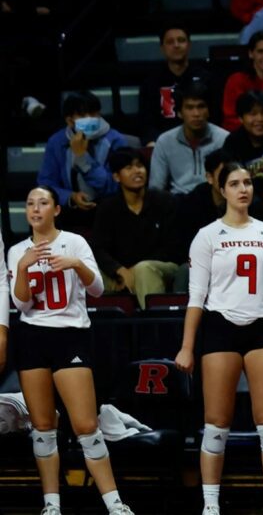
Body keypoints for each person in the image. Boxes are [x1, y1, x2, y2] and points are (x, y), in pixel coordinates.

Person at [175, 163, 263, 515]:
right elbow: (196, 296)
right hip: (220, 327)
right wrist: (187, 346)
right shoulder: (207, 236)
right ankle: (210, 504)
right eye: (235, 184)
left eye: (248, 183)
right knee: (216, 424)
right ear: (222, 190)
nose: (243, 189)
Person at [8, 186, 135, 515]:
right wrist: (23, 267)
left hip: (70, 335)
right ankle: (51, 505)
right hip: (32, 337)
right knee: (42, 427)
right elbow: (21, 302)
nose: (36, 209)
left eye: (43, 203)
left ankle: (115, 503)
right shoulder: (17, 250)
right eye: (30, 203)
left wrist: (76, 264)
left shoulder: (75, 242)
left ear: (56, 209)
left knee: (85, 425)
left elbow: (98, 288)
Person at [92, 149, 182, 306]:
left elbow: (173, 247)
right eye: (129, 168)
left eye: (140, 166)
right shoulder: (108, 207)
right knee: (89, 273)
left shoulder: (165, 201)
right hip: (120, 271)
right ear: (116, 177)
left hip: (161, 267)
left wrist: (133, 271)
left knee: (143, 269)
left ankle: (154, 327)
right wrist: (119, 271)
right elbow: (99, 248)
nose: (137, 171)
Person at [38, 91, 129, 224]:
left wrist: (82, 159)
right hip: (69, 210)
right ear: (70, 121)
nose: (89, 118)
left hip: (108, 208)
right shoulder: (57, 142)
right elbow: (46, 183)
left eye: (93, 113)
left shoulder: (116, 140)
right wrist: (70, 197)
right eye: (82, 115)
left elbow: (114, 187)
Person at [150, 81, 230, 195]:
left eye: (201, 106)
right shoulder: (164, 141)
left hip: (213, 203)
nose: (196, 113)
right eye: (189, 108)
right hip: (177, 204)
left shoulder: (224, 139)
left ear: (208, 111)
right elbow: (156, 189)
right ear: (179, 113)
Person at [140, 25, 214, 144]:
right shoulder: (151, 82)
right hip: (163, 143)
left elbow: (215, 116)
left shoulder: (206, 79)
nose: (176, 45)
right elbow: (146, 122)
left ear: (189, 45)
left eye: (181, 40)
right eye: (170, 42)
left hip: (201, 140)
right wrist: (153, 142)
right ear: (162, 48)